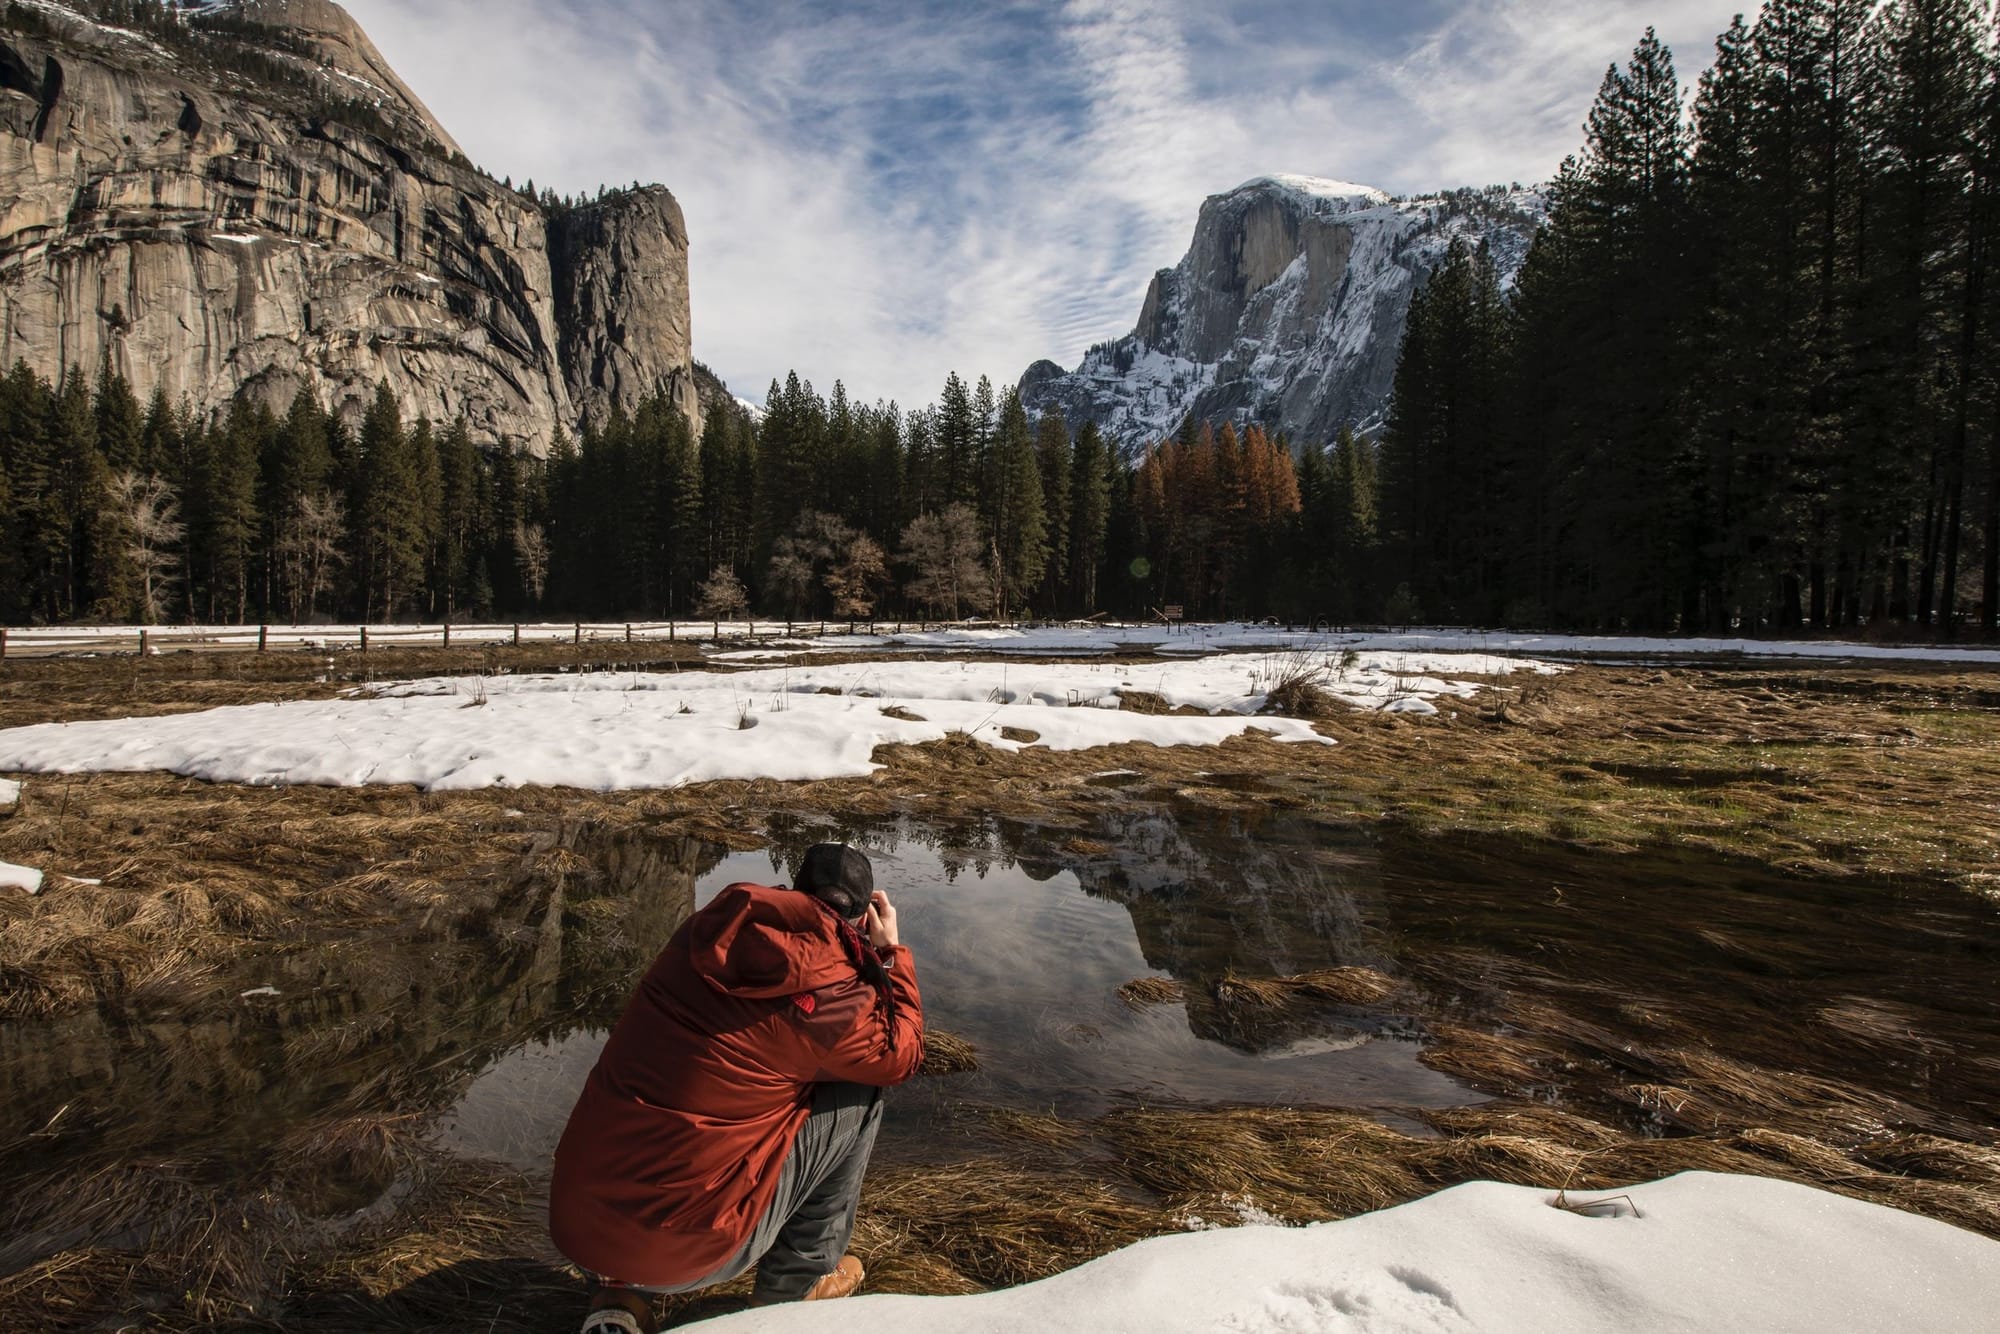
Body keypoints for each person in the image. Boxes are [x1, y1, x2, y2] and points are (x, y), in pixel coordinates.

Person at [548, 843, 925, 1334]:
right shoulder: (835, 997)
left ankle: (619, 1294)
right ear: (860, 917)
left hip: (579, 1228)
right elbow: (904, 1055)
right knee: (861, 1092)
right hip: (689, 1253)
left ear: (793, 889)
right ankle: (796, 1283)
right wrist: (889, 956)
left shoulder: (708, 934)